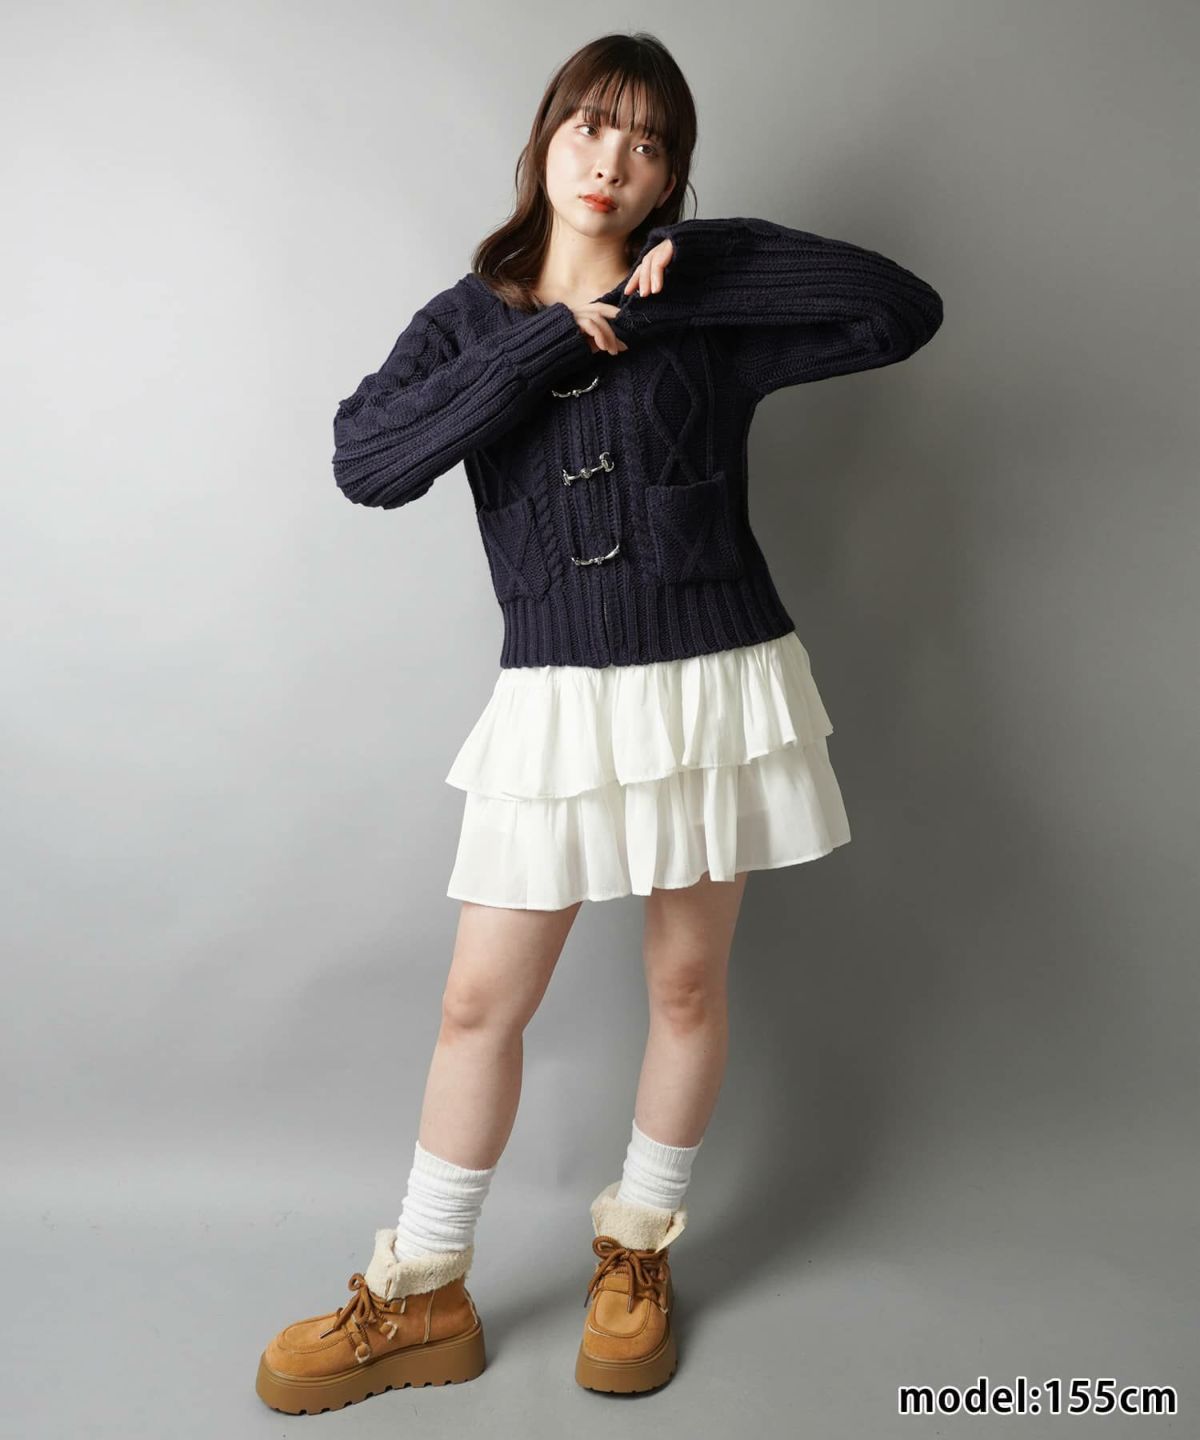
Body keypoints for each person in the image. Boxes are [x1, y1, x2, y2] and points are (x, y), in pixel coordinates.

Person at [255, 30, 943, 1413]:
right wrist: (547, 340)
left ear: (669, 173)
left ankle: (637, 1254)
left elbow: (897, 310)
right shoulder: (468, 321)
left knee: (686, 986)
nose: (611, 159)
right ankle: (423, 1286)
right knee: (478, 1004)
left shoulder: (699, 304)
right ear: (545, 138)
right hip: (560, 698)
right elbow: (367, 460)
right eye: (590, 125)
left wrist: (702, 265)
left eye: (648, 141)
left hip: (712, 682)